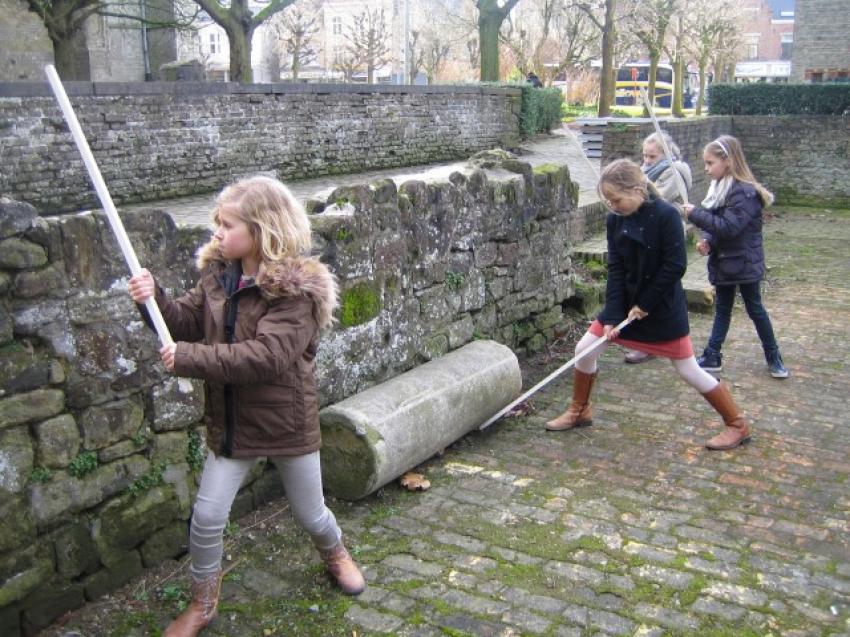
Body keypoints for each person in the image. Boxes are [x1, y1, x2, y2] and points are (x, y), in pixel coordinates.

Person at [128, 176, 365, 637]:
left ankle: (336, 554)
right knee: (208, 516)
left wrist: (190, 359)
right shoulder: (220, 274)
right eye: (218, 222)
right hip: (233, 422)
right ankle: (202, 604)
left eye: (227, 224)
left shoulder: (296, 291)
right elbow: (188, 322)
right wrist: (153, 299)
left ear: (262, 229)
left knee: (310, 512)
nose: (216, 232)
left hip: (285, 422)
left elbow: (267, 357)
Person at [546, 158, 752, 451]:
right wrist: (611, 317)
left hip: (662, 307)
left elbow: (675, 266)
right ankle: (580, 411)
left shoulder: (666, 215)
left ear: (636, 189)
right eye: (607, 200)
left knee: (689, 370)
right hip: (624, 305)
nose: (612, 205)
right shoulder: (614, 219)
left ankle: (737, 425)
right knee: (584, 349)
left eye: (616, 198)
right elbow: (616, 269)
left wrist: (645, 304)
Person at [682, 135, 789, 379]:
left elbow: (730, 227)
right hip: (725, 260)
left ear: (727, 161)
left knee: (755, 309)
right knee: (723, 309)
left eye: (710, 163)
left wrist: (695, 215)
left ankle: (774, 357)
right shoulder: (720, 188)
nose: (706, 169)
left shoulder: (743, 192)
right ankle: (713, 355)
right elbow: (718, 223)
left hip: (744, 261)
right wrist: (708, 240)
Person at [624, 131, 694, 364]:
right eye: (644, 155)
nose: (646, 161)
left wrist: (634, 190)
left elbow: (658, 199)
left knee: (661, 283)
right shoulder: (646, 171)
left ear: (665, 154)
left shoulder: (676, 171)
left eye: (652, 156)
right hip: (646, 235)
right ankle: (648, 339)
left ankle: (659, 340)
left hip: (665, 235)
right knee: (645, 282)